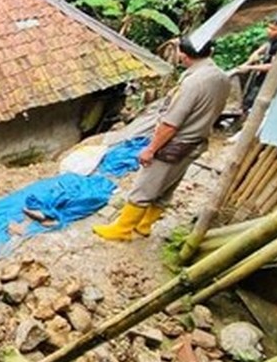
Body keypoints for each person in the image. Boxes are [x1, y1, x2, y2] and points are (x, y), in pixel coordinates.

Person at [94, 38, 231, 241]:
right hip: (195, 142)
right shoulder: (220, 76)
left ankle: (122, 229)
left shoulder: (194, 83)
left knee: (145, 186)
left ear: (183, 55)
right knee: (167, 186)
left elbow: (171, 123)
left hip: (175, 144)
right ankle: (144, 224)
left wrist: (151, 149)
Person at [234, 13, 277, 115]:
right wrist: (253, 56)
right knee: (247, 99)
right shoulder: (273, 39)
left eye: (273, 30)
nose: (269, 31)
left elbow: (273, 67)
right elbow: (264, 46)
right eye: (269, 28)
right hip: (260, 77)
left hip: (269, 81)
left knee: (253, 103)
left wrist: (249, 67)